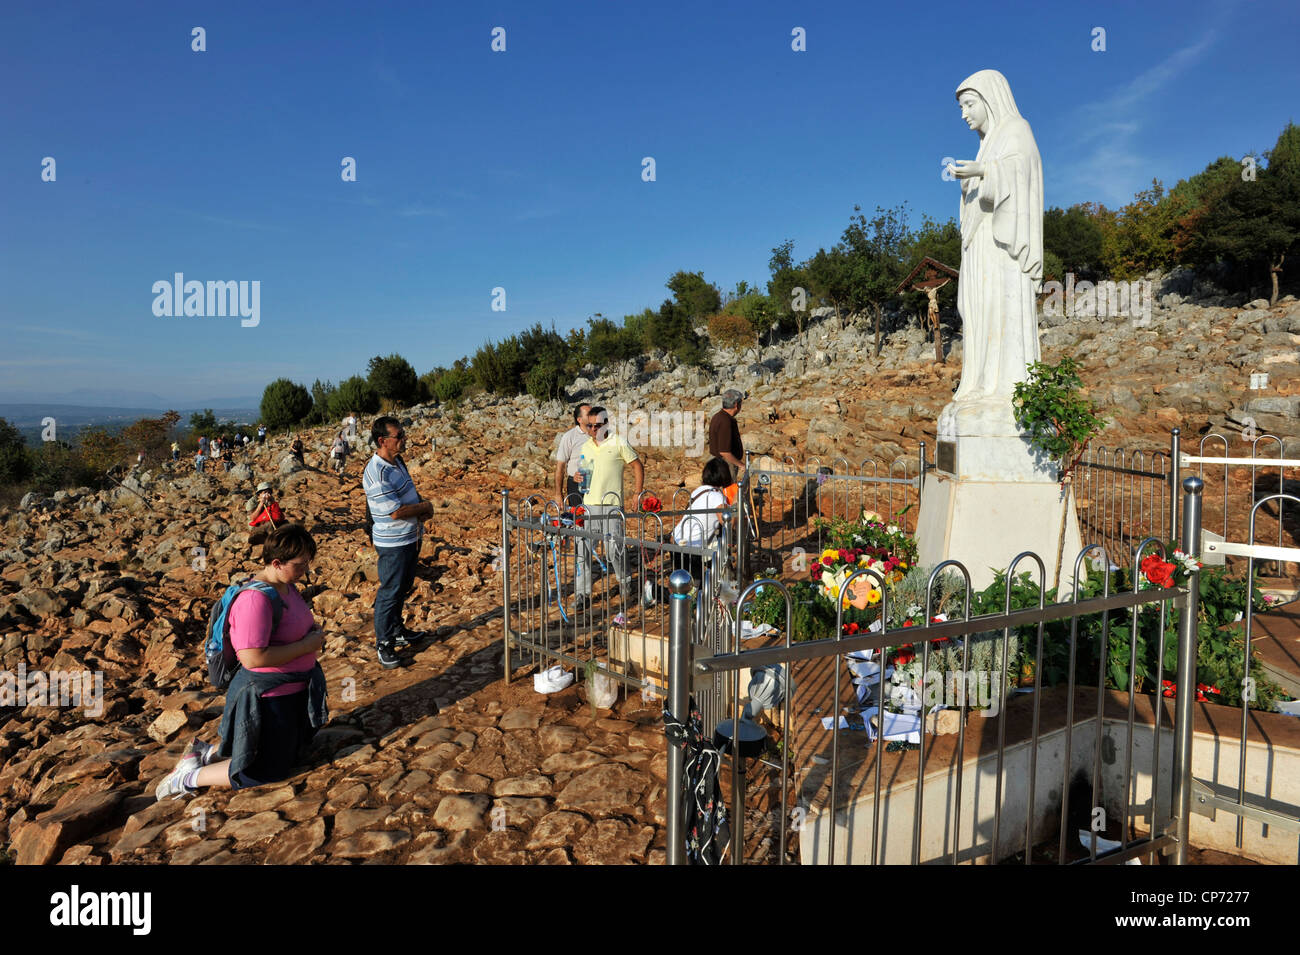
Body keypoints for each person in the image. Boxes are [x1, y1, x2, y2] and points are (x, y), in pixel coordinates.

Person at [155, 523, 327, 800]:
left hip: (294, 689)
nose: (306, 569)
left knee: (294, 752)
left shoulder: (286, 585)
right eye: (300, 564)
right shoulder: (255, 600)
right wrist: (307, 645)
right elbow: (253, 657)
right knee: (265, 769)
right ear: (276, 562)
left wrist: (311, 634)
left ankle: (205, 752)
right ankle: (187, 778)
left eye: (308, 562)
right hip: (268, 696)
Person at [944, 69, 1043, 418]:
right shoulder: (985, 145)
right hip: (978, 248)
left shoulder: (1017, 130)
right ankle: (980, 383)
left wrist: (984, 173)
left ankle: (1005, 388)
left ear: (989, 100)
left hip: (1001, 249)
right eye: (961, 107)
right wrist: (974, 176)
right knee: (977, 312)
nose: (964, 114)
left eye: (969, 104)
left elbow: (1023, 173)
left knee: (998, 308)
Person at [363, 417, 433, 668]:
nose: (404, 439)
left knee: (402, 587)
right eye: (399, 435)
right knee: (390, 591)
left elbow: (408, 496)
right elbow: (394, 511)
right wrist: (424, 507)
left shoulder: (396, 462)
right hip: (393, 543)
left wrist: (420, 507)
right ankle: (384, 642)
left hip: (410, 537)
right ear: (382, 441)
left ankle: (397, 630)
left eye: (403, 434)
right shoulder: (376, 472)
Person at [575, 406, 643, 607]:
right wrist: (578, 477)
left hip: (612, 506)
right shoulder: (586, 446)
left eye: (597, 425)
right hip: (589, 504)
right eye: (590, 426)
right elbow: (583, 471)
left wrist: (637, 493)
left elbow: (637, 465)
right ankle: (582, 595)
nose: (594, 429)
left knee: (615, 549)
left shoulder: (619, 442)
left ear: (606, 424)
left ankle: (625, 583)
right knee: (583, 550)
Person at [668, 456, 733, 595]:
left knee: (685, 586)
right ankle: (653, 591)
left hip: (677, 539)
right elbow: (726, 521)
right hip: (691, 546)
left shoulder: (699, 490)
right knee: (689, 593)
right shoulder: (716, 496)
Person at [552, 402, 592, 505]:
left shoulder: (599, 435)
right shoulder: (569, 437)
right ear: (579, 420)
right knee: (578, 518)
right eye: (589, 414)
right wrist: (558, 494)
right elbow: (560, 467)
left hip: (596, 484)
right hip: (576, 484)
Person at [708, 390, 745, 480]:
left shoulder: (718, 416)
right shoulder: (725, 421)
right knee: (727, 492)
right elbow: (724, 452)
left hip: (718, 463)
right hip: (725, 465)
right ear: (736, 405)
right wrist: (741, 465)